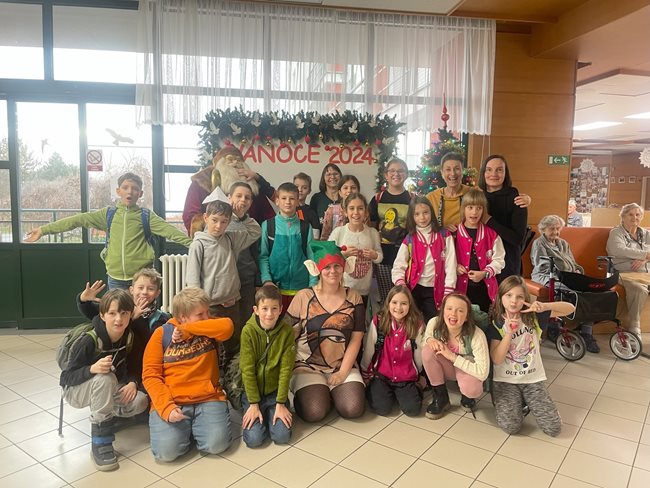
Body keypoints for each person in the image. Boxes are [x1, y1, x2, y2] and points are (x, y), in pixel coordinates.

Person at [25, 172, 192, 289]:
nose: (130, 191)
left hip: (141, 280)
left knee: (142, 321)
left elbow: (170, 231)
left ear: (140, 193)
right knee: (117, 321)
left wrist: (194, 245)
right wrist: (44, 230)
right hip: (115, 279)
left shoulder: (146, 216)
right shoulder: (108, 214)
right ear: (118, 191)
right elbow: (78, 220)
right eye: (125, 187)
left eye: (134, 188)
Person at [60, 289, 149, 471]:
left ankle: (110, 418)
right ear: (102, 315)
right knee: (105, 378)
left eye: (124, 313)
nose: (118, 319)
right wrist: (91, 369)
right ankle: (100, 442)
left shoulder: (129, 336)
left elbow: (135, 367)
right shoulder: (89, 341)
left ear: (131, 314)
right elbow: (66, 378)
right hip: (75, 391)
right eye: (112, 313)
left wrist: (132, 382)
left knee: (140, 401)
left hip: (108, 388)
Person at [143, 287, 234, 462]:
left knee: (216, 445)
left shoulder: (208, 327)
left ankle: (194, 429)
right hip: (173, 400)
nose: (207, 317)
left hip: (208, 397)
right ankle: (188, 431)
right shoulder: (161, 334)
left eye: (208, 312)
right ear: (183, 316)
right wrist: (167, 408)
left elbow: (228, 327)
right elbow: (150, 375)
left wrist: (187, 329)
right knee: (167, 453)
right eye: (200, 314)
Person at [283, 241, 365, 422]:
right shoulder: (303, 296)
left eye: (337, 266)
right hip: (307, 366)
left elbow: (356, 339)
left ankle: (330, 392)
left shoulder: (354, 297)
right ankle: (318, 393)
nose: (332, 271)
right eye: (327, 267)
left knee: (353, 408)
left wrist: (342, 373)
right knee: (315, 412)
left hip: (341, 364)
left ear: (344, 267)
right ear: (318, 269)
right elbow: (286, 336)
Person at [487, 275, 574, 437]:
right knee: (511, 427)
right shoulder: (496, 324)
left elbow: (570, 308)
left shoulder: (534, 317)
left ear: (525, 299)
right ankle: (519, 402)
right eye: (509, 295)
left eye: (519, 296)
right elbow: (497, 359)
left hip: (532, 379)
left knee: (554, 429)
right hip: (506, 381)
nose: (514, 301)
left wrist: (544, 306)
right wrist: (509, 333)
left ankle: (526, 401)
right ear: (500, 297)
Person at [186, 194, 261, 364]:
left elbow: (255, 231)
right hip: (211, 306)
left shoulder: (230, 238)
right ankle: (215, 374)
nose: (219, 226)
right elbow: (192, 279)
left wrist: (240, 216)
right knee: (211, 344)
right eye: (215, 220)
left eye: (224, 222)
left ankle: (231, 375)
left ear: (229, 222)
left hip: (232, 303)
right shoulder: (199, 244)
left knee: (233, 341)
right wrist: (199, 306)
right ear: (206, 218)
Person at [77, 269, 170, 388]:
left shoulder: (161, 318)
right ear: (132, 290)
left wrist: (137, 319)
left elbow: (146, 345)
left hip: (138, 369)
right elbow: (93, 312)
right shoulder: (119, 306)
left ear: (157, 293)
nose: (144, 292)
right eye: (140, 288)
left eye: (150, 289)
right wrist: (83, 299)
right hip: (110, 365)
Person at [531, 214, 599, 353]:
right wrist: (563, 276)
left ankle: (586, 331)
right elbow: (541, 265)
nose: (555, 232)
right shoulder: (539, 243)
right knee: (567, 290)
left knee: (589, 290)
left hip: (567, 276)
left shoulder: (563, 243)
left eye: (558, 228)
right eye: (552, 229)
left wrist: (577, 271)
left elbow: (572, 262)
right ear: (543, 229)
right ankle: (554, 326)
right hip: (546, 275)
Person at [240, 285, 295, 448]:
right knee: (254, 439)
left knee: (282, 436)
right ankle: (259, 416)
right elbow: (247, 370)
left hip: (275, 393)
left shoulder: (287, 332)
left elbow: (286, 370)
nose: (269, 314)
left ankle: (270, 415)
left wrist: (280, 403)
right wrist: (253, 404)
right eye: (264, 308)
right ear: (256, 310)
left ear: (281, 310)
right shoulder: (248, 331)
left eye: (274, 308)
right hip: (252, 394)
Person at [421, 293, 489, 419]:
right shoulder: (434, 323)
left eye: (460, 310)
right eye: (449, 308)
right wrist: (430, 340)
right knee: (427, 351)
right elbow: (425, 339)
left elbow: (483, 372)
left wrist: (452, 356)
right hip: (447, 367)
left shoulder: (477, 335)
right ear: (442, 311)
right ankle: (441, 397)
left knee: (472, 390)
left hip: (465, 367)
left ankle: (467, 397)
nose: (453, 314)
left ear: (467, 316)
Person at [360, 285, 424, 417]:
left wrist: (419, 374)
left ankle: (407, 392)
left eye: (404, 303)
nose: (398, 307)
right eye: (394, 302)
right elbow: (369, 348)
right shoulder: (379, 320)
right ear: (388, 303)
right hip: (382, 375)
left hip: (406, 376)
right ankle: (387, 393)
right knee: (382, 408)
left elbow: (419, 353)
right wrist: (365, 373)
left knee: (412, 410)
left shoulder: (417, 324)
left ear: (410, 305)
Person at [182, 146, 275, 235]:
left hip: (246, 239)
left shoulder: (252, 185)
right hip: (212, 240)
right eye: (230, 159)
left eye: (238, 160)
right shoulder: (201, 183)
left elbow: (269, 216)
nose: (235, 163)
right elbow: (191, 216)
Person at [392, 196, 457, 323]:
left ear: (431, 212)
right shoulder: (410, 239)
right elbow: (399, 265)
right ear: (412, 217)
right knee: (411, 322)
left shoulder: (444, 235)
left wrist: (449, 289)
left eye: (425, 212)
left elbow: (451, 265)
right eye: (417, 214)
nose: (422, 217)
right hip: (413, 289)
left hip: (435, 290)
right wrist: (401, 286)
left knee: (432, 322)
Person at [259, 182, 317, 312]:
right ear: (277, 201)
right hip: (275, 290)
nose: (288, 202)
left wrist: (313, 283)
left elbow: (311, 257)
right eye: (284, 198)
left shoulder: (305, 227)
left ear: (297, 201)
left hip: (302, 290)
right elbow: (263, 256)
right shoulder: (268, 225)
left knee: (299, 323)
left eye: (292, 198)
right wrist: (267, 280)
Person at [478, 155, 529, 282]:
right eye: (489, 169)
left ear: (506, 174)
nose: (493, 174)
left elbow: (517, 239)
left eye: (499, 170)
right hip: (480, 261)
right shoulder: (477, 196)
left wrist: (489, 220)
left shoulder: (516, 199)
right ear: (483, 173)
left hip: (507, 263)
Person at [369, 158, 413, 303]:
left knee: (404, 296)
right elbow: (372, 227)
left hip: (406, 256)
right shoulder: (378, 199)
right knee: (386, 297)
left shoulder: (412, 199)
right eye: (392, 171)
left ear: (406, 174)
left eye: (400, 171)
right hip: (383, 256)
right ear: (386, 175)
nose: (396, 174)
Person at [455, 188, 505, 312]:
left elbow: (499, 260)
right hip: (459, 289)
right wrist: (455, 267)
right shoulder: (453, 234)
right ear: (463, 209)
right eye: (470, 207)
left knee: (483, 319)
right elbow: (445, 258)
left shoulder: (492, 234)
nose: (474, 212)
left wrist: (484, 273)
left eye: (479, 208)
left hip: (485, 290)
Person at [328, 192, 382, 306]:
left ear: (366, 212)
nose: (356, 212)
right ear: (345, 212)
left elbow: (379, 256)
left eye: (360, 208)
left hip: (364, 290)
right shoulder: (339, 232)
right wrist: (343, 254)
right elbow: (328, 257)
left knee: (360, 315)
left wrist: (374, 255)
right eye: (351, 208)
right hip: (342, 288)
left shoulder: (372, 233)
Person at [606, 203, 650, 337]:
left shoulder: (646, 233)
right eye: (630, 214)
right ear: (623, 216)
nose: (634, 217)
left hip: (645, 273)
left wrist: (645, 260)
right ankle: (634, 325)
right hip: (623, 273)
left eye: (637, 215)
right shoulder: (616, 232)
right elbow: (618, 250)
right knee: (639, 289)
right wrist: (645, 254)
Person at [227, 182, 262, 345]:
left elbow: (256, 251)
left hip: (246, 279)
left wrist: (257, 281)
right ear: (229, 198)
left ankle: (244, 354)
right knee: (230, 324)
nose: (243, 200)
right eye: (239, 196)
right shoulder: (221, 220)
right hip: (227, 282)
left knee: (246, 321)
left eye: (247, 198)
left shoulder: (250, 223)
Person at [426, 152, 472, 231]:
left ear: (462, 171)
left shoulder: (472, 193)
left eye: (457, 169)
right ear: (442, 173)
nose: (453, 173)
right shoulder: (431, 198)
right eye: (448, 169)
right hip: (440, 238)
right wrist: (442, 231)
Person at [321, 175, 360, 240]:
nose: (349, 191)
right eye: (345, 188)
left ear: (358, 191)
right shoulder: (332, 210)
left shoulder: (363, 211)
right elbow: (325, 237)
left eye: (353, 188)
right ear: (340, 192)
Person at [293, 172, 321, 238]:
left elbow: (316, 237)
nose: (300, 190)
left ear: (309, 191)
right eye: (297, 187)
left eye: (304, 188)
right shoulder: (287, 209)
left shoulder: (312, 213)